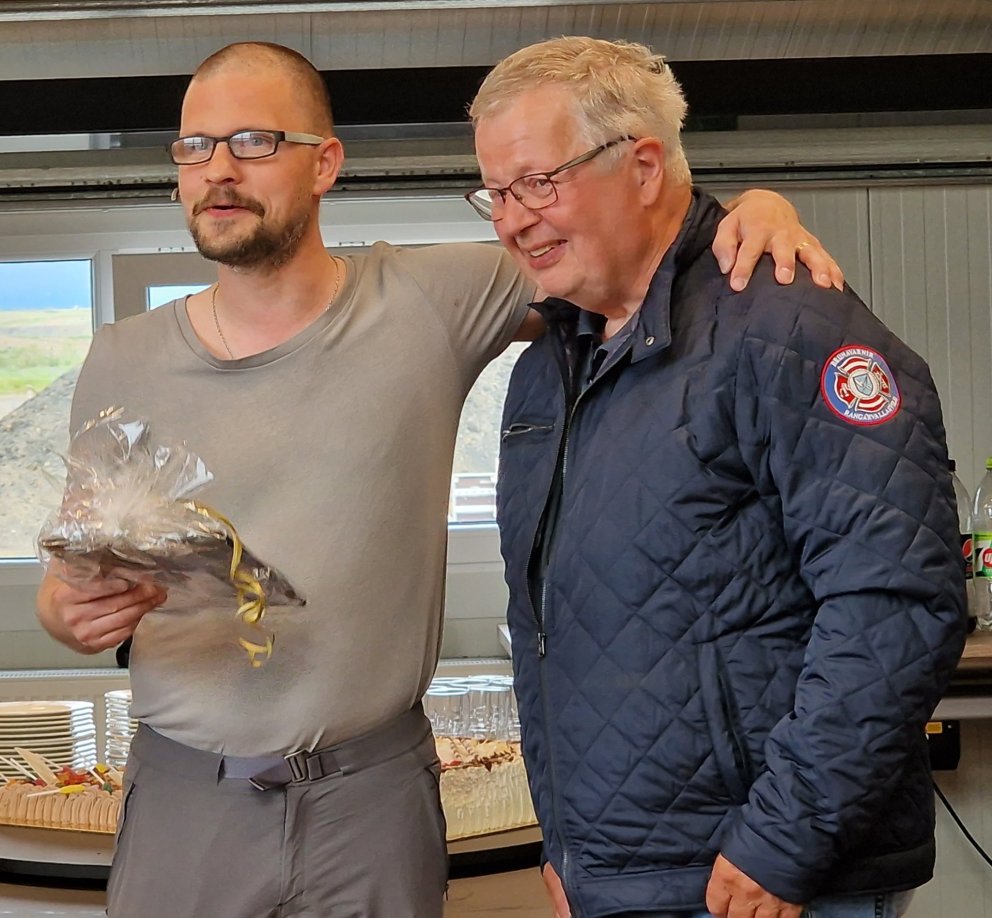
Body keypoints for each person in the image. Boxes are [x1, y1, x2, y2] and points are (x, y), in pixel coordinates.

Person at [35, 41, 841, 918]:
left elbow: (629, 245)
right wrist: (63, 611)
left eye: (256, 141)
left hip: (370, 798)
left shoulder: (431, 298)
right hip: (185, 795)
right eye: (195, 147)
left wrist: (758, 205)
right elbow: (77, 572)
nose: (219, 170)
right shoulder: (121, 360)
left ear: (325, 163)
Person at [473, 36, 967, 918]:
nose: (514, 219)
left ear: (645, 165)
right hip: (618, 879)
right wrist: (570, 848)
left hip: (765, 882)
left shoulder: (787, 323)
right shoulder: (548, 366)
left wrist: (784, 843)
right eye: (497, 194)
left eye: (538, 183)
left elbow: (897, 602)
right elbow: (545, 627)